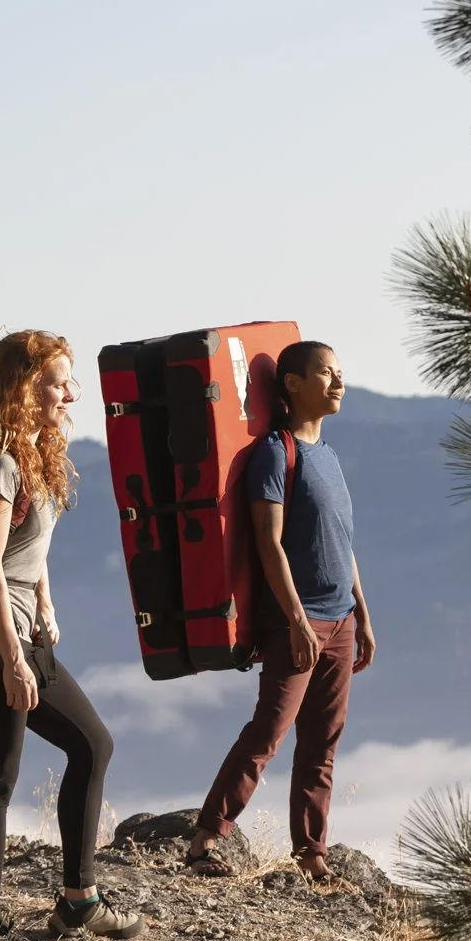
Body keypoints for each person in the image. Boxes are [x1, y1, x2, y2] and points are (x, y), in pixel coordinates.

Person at [0, 330, 141, 941]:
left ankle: (78, 899)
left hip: (21, 633)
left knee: (92, 743)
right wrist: (14, 661)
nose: (70, 393)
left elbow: (30, 550)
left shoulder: (34, 454)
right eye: (57, 382)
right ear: (25, 387)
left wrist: (46, 602)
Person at [186, 341, 376, 885]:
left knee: (323, 739)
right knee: (269, 731)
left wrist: (362, 616)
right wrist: (294, 619)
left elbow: (343, 542)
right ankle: (205, 837)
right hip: (297, 619)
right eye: (325, 373)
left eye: (340, 372)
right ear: (292, 384)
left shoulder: (331, 457)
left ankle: (311, 853)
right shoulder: (277, 452)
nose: (339, 382)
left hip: (339, 620)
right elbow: (269, 542)